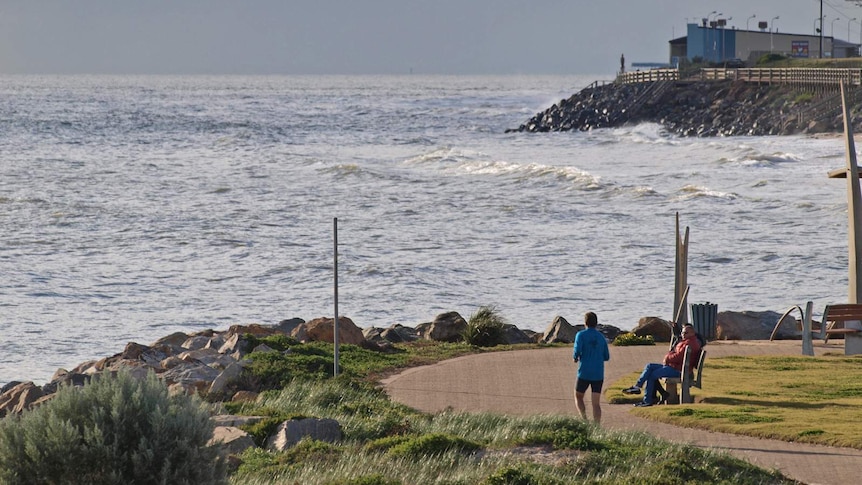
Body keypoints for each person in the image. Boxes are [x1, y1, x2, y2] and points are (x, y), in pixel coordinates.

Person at [622, 323, 702, 407]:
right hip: (675, 366)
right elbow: (675, 354)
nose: (683, 334)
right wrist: (669, 357)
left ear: (692, 333)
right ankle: (637, 387)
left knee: (652, 375)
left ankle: (648, 400)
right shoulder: (686, 342)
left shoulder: (689, 343)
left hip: (679, 370)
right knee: (650, 366)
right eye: (682, 333)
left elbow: (678, 357)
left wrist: (667, 358)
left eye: (686, 333)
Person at [573, 311, 611, 422]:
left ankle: (584, 419)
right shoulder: (601, 337)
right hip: (598, 374)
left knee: (578, 396)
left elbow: (577, 350)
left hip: (584, 372)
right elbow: (606, 356)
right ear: (596, 323)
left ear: (585, 322)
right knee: (596, 403)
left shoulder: (581, 335)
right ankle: (597, 426)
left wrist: (575, 357)